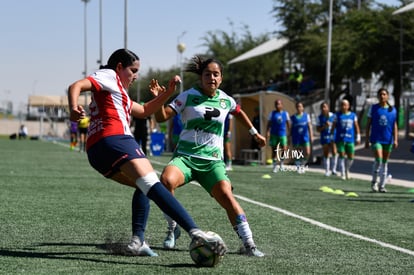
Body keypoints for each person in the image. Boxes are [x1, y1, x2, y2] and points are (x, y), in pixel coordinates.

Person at [68, 48, 226, 258]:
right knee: (154, 184)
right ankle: (195, 232)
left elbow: (143, 111)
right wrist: (72, 106)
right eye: (133, 70)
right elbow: (76, 85)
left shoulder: (118, 91)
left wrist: (166, 94)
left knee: (143, 187)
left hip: (97, 151)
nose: (136, 76)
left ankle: (138, 241)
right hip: (115, 139)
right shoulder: (109, 75)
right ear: (119, 67)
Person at [154, 56, 266, 257]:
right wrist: (159, 99)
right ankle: (172, 229)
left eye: (216, 74)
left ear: (221, 78)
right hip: (186, 158)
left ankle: (249, 244)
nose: (211, 78)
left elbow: (238, 112)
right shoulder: (188, 96)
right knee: (166, 181)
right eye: (207, 74)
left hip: (212, 162)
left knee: (227, 195)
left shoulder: (226, 100)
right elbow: (162, 117)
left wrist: (254, 133)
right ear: (201, 77)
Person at [365, 88, 398, 193]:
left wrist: (396, 139)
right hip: (376, 139)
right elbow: (368, 124)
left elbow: (395, 126)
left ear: (388, 96)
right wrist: (366, 139)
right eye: (380, 94)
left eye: (384, 94)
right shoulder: (374, 108)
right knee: (378, 160)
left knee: (384, 162)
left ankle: (382, 185)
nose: (382, 96)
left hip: (388, 140)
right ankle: (374, 182)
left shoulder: (392, 110)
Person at [332, 99, 361, 180]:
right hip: (340, 138)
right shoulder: (337, 115)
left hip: (350, 139)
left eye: (345, 105)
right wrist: (331, 135)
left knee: (351, 156)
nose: (343, 106)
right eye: (342, 105)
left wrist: (358, 136)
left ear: (348, 106)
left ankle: (347, 169)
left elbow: (356, 126)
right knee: (341, 154)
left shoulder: (353, 115)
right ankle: (342, 173)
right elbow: (334, 126)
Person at [266, 99, 290, 173]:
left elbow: (288, 124)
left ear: (282, 105)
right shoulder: (272, 114)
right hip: (274, 134)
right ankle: (275, 165)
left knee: (284, 149)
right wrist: (267, 132)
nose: (277, 105)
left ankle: (282, 164)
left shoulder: (286, 114)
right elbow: (269, 124)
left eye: (279, 104)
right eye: (276, 104)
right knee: (274, 151)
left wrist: (289, 133)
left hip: (282, 134)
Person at [290, 101, 313, 173]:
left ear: (303, 108)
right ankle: (298, 166)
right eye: (297, 106)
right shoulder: (293, 117)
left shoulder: (306, 116)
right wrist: (289, 137)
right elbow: (291, 128)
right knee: (297, 152)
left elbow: (310, 126)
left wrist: (311, 136)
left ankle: (302, 164)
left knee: (308, 152)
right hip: (296, 137)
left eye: (300, 106)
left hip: (305, 137)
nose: (299, 108)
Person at [316, 102, 338, 176]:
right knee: (326, 152)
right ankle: (327, 170)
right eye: (322, 107)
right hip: (324, 136)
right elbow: (318, 129)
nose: (323, 108)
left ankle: (334, 169)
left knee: (334, 151)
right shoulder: (319, 117)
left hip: (333, 136)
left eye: (325, 107)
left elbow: (337, 125)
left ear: (328, 108)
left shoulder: (333, 116)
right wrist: (324, 126)